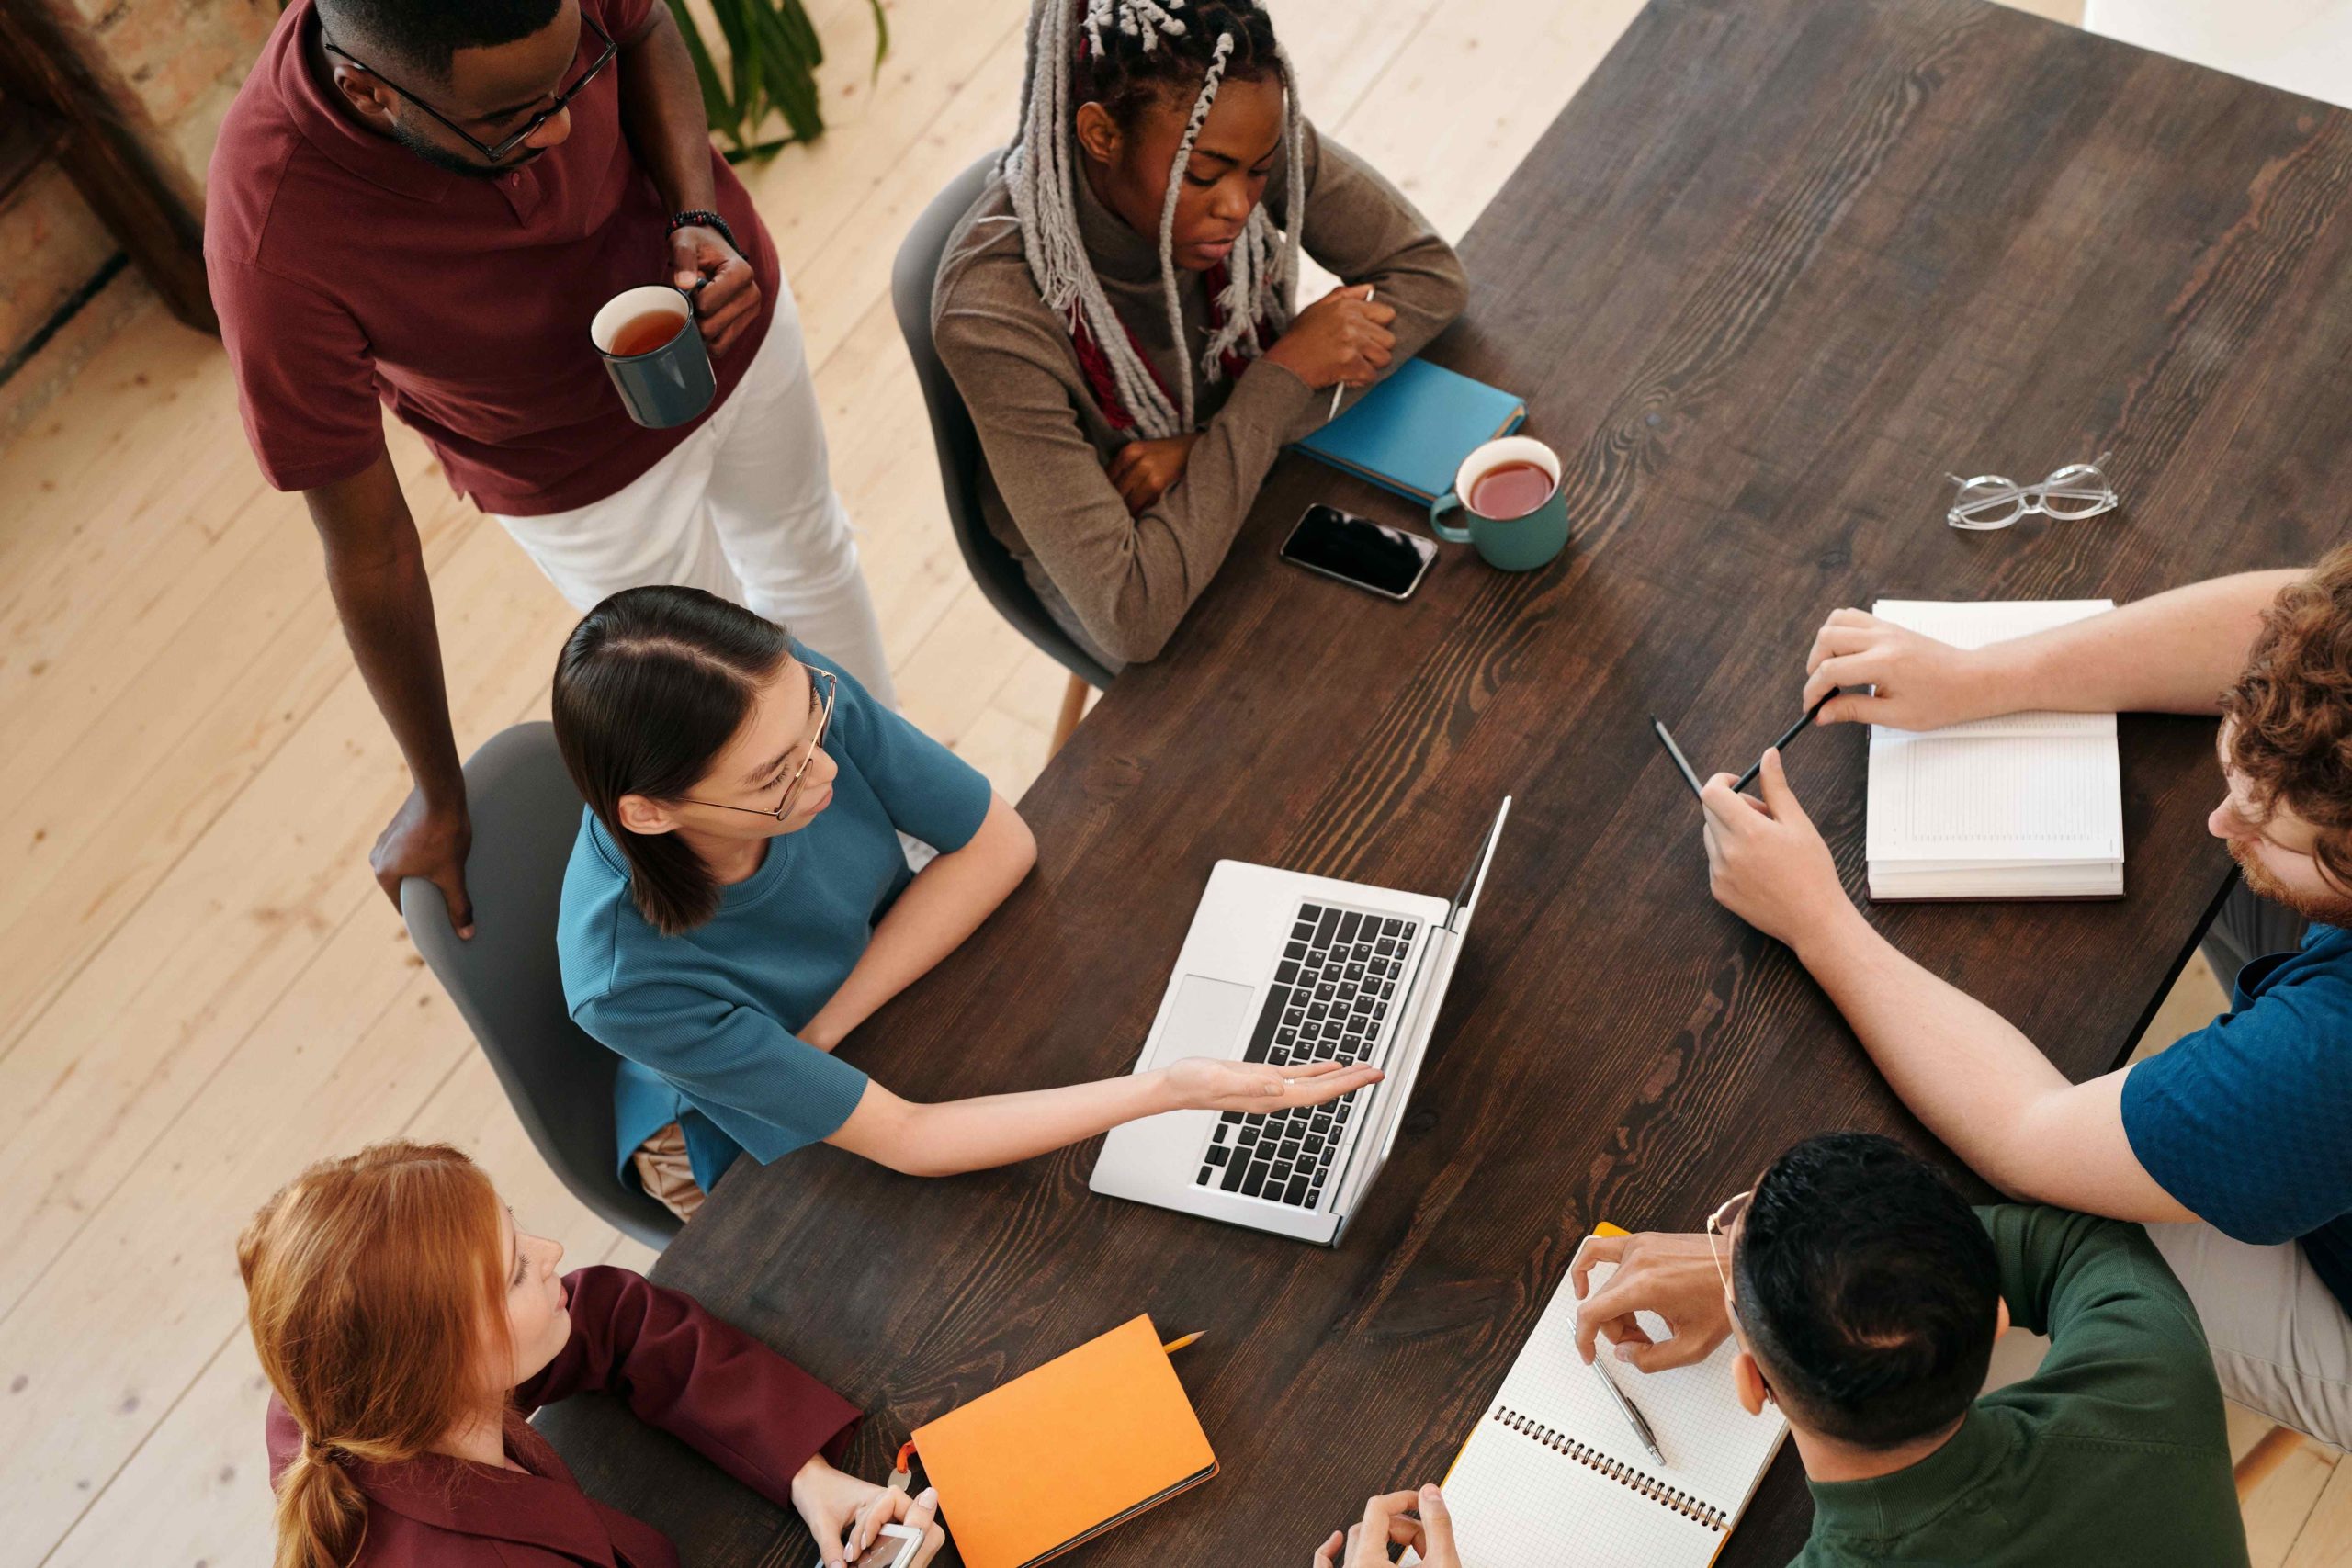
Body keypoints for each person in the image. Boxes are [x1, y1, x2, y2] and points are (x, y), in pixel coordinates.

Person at [207, 0, 896, 942]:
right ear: (371, 94)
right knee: (720, 714)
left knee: (811, 555)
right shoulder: (273, 242)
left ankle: (900, 818)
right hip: (575, 473)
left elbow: (646, 28)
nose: (567, 125)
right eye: (511, 119)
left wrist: (696, 213)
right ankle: (844, 902)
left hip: (731, 319)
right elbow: (369, 549)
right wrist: (439, 793)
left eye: (571, 76)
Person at [1696, 554, 2352, 1447]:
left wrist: (1816, 918)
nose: (2218, 821)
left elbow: (2027, 1135)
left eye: (2267, 825)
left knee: (2068, 1219)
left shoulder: (2321, 1068)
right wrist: (1985, 677)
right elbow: (2283, 624)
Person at [554, 586, 1382, 1217]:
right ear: (650, 812)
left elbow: (999, 845)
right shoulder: (623, 982)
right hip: (739, 1128)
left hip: (862, 1004)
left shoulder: (779, 698)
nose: (824, 769)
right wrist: (1167, 1089)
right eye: (776, 778)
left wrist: (829, 1025)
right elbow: (909, 1139)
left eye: (814, 723)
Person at [933, 0, 1470, 670]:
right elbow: (1132, 614)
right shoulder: (991, 314)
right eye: (1203, 175)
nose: (1239, 206)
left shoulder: (1235, 130)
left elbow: (1427, 275)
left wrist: (1214, 442)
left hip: (1243, 464)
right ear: (1101, 136)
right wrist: (1280, 381)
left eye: (1260, 171)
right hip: (1131, 555)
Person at [240, 1140, 942, 1568]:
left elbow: (609, 1316)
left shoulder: (349, 1393)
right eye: (517, 1271)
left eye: (518, 1236)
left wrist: (800, 1468)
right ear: (444, 1360)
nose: (553, 1253)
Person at [1568, 1134, 2247, 1566]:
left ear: (1752, 1385)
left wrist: (1749, 1271)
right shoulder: (2159, 1386)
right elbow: (2078, 1244)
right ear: (1997, 1319)